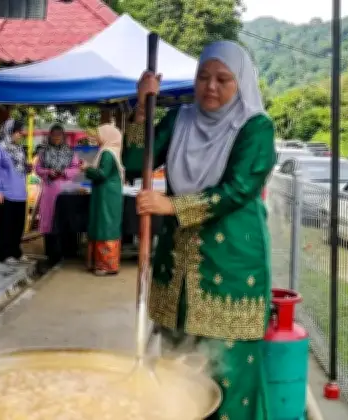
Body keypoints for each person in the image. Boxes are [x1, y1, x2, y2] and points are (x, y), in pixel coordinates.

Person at [134, 41, 276, 420]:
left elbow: (238, 189)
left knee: (228, 378)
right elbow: (135, 161)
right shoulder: (180, 119)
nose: (210, 87)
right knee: (177, 376)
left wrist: (172, 205)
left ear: (240, 82)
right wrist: (141, 107)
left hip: (231, 267)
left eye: (223, 79)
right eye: (203, 77)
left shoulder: (255, 127)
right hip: (176, 268)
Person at [34, 124, 79, 268]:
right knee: (50, 221)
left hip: (65, 190)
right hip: (49, 191)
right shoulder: (43, 152)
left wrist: (65, 172)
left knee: (64, 220)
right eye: (54, 136)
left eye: (59, 136)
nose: (57, 139)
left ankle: (67, 252)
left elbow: (76, 168)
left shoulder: (71, 153)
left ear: (63, 136)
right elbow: (38, 168)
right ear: (50, 136)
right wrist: (48, 172)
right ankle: (52, 254)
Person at [81, 124, 124, 276]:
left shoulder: (107, 153)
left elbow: (102, 174)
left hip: (106, 195)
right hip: (106, 194)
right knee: (101, 224)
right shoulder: (110, 151)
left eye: (99, 134)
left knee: (105, 226)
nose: (97, 137)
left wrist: (87, 168)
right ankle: (99, 263)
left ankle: (106, 265)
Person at [0, 119, 29, 265]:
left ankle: (15, 251)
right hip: (4, 193)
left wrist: (27, 167)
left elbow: (19, 169)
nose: (21, 135)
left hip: (20, 193)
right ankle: (4, 254)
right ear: (9, 131)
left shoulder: (19, 149)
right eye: (19, 132)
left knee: (18, 226)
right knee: (4, 225)